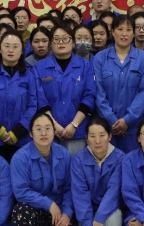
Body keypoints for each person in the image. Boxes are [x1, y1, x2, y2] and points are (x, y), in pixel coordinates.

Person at [11, 109, 79, 226]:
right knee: (20, 211)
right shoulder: (20, 157)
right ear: (31, 133)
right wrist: (48, 204)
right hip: (33, 211)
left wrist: (67, 213)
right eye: (38, 129)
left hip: (58, 212)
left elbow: (70, 188)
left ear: (54, 132)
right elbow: (21, 191)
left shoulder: (64, 155)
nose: (43, 133)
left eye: (48, 128)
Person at [32, 24, 96, 154]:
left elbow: (89, 96)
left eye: (65, 38)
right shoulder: (39, 67)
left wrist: (74, 125)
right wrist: (54, 126)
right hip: (48, 131)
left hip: (77, 131)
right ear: (51, 43)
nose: (61, 42)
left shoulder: (86, 66)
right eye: (56, 39)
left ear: (73, 42)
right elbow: (40, 99)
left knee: (76, 165)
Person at [93, 15, 144, 151]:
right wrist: (112, 120)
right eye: (120, 29)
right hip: (106, 126)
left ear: (134, 33)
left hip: (134, 127)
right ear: (112, 32)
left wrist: (127, 120)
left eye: (128, 29)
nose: (124, 34)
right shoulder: (100, 58)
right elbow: (98, 92)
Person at [71, 116, 125, 226]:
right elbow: (80, 195)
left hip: (111, 207)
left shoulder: (121, 158)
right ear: (86, 138)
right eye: (92, 136)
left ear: (110, 136)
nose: (97, 141)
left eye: (102, 135)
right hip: (89, 209)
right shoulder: (78, 159)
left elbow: (114, 192)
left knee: (115, 214)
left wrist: (100, 218)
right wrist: (89, 224)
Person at [0, 29, 40, 159]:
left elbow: (33, 104)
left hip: (22, 139)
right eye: (7, 46)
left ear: (22, 50)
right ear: (0, 49)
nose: (11, 50)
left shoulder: (30, 74)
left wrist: (18, 131)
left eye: (15, 46)